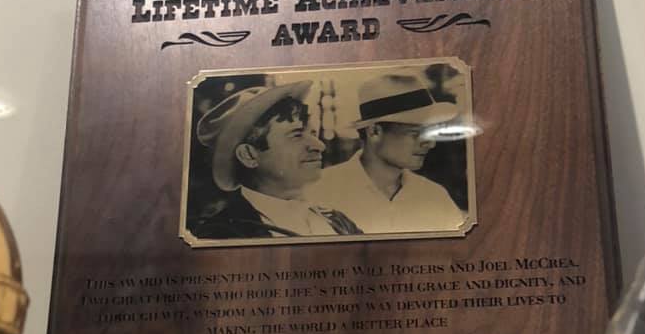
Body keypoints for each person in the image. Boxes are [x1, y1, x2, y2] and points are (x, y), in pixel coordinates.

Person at [194, 81, 361, 239]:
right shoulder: (222, 234)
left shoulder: (338, 222)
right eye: (296, 135)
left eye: (313, 133)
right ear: (249, 155)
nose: (319, 145)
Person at [307, 70, 466, 234]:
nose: (431, 144)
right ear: (374, 132)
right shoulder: (319, 193)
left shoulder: (435, 197)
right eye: (415, 133)